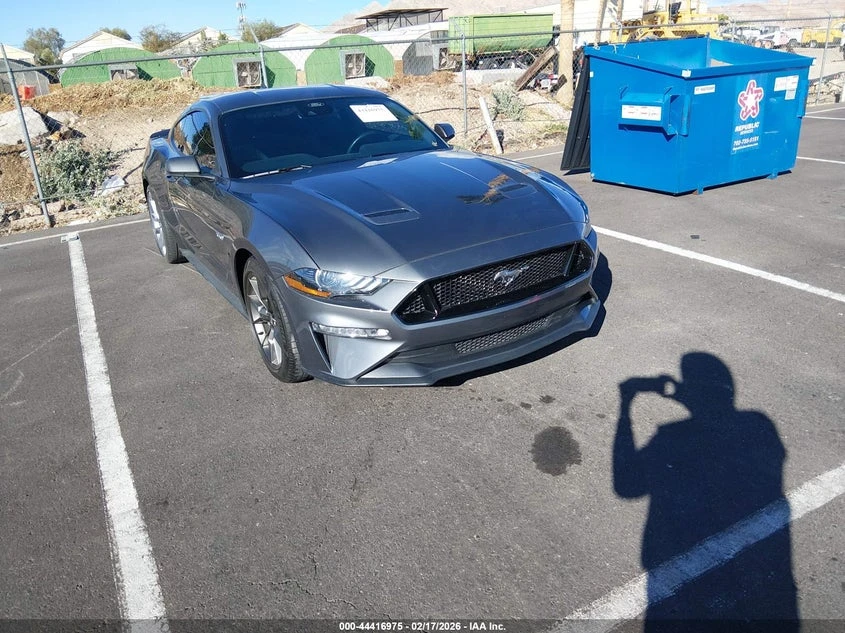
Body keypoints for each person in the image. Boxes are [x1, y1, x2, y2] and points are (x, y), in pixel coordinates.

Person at [613, 352, 798, 632]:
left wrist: (626, 403)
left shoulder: (670, 437)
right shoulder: (760, 425)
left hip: (677, 597)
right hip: (772, 592)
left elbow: (627, 486)